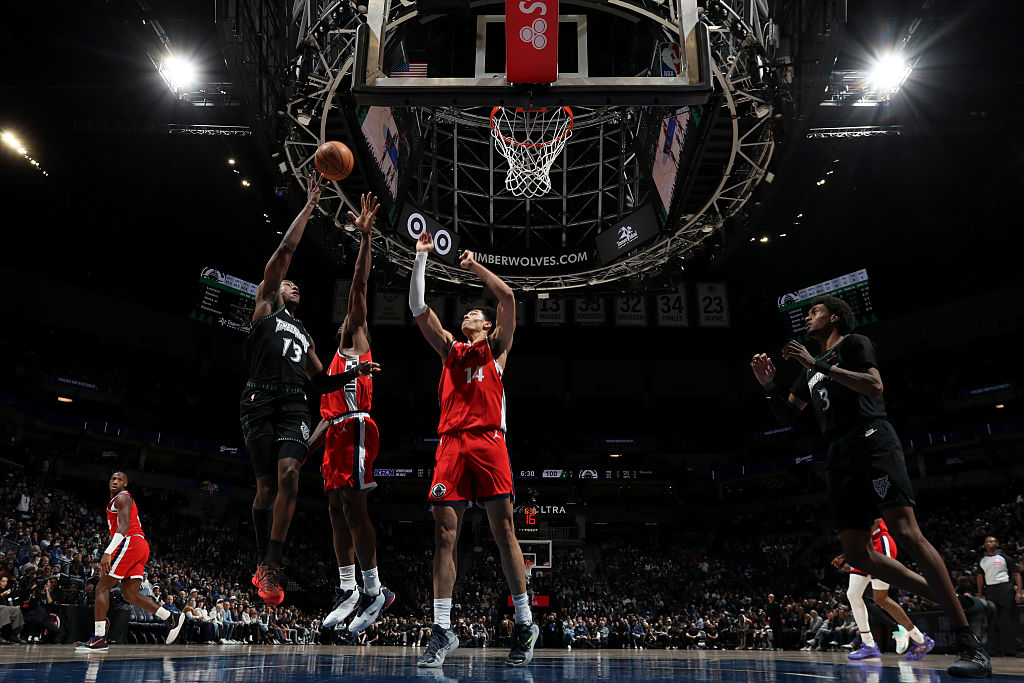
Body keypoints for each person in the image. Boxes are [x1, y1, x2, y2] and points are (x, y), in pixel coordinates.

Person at [750, 295, 989, 677]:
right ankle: (962, 603)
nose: (808, 318)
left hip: (872, 441)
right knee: (856, 554)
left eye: (815, 312)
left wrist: (817, 365)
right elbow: (785, 414)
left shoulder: (853, 344)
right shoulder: (809, 370)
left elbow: (875, 386)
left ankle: (969, 643)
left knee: (907, 532)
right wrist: (768, 386)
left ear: (834, 318)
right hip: (839, 455)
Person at [240, 173, 379, 605]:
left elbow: (320, 381)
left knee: (290, 473)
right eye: (288, 283)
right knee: (265, 488)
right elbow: (285, 251)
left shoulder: (305, 336)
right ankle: (262, 558)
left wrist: (356, 373)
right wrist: (309, 206)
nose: (293, 284)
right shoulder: (266, 307)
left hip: (295, 407)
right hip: (259, 399)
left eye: (295, 284)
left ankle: (272, 565)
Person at [408, 233, 539, 668]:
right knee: (444, 536)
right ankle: (442, 629)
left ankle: (524, 622)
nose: (470, 315)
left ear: (486, 326)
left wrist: (475, 266)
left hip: (489, 442)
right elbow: (417, 307)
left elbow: (508, 297)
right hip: (451, 444)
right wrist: (421, 258)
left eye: (476, 314)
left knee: (504, 531)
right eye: (466, 313)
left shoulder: (496, 349)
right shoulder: (449, 349)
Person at [307, 193, 395, 633]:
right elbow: (325, 416)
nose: (345, 320)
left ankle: (375, 590)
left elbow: (359, 285)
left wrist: (365, 238)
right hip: (335, 432)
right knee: (334, 511)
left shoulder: (357, 340)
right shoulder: (332, 365)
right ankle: (348, 589)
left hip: (357, 427)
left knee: (353, 508)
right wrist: (300, 452)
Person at [76, 471, 186, 652]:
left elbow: (124, 527)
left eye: (120, 479)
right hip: (140, 545)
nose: (115, 481)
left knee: (102, 587)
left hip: (131, 542)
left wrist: (107, 552)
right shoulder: (118, 500)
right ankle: (171, 617)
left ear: (125, 484)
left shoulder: (123, 497)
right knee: (129, 594)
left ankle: (99, 638)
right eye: (113, 478)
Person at [832, 517, 933, 660]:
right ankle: (869, 645)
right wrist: (847, 555)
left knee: (881, 599)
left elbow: (877, 520)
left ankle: (920, 640)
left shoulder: (853, 504)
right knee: (853, 594)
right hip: (864, 549)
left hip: (879, 543)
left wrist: (859, 544)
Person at [976, 536, 1022, 657]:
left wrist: (1019, 591)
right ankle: (994, 650)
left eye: (991, 541)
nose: (988, 543)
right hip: (990, 590)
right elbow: (980, 577)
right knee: (992, 620)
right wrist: (980, 593)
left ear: (997, 544)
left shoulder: (1004, 558)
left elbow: (1016, 574)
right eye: (986, 542)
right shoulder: (982, 560)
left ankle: (1014, 649)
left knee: (1009, 619)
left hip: (1005, 588)